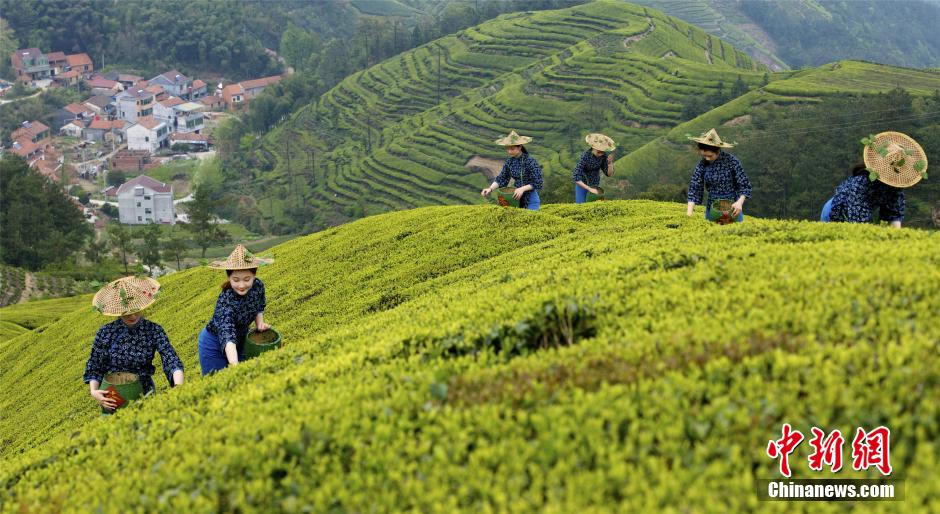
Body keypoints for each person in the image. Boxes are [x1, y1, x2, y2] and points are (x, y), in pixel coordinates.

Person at [85, 276, 184, 412]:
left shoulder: (153, 330)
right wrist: (94, 391)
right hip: (113, 393)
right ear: (118, 310)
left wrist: (178, 386)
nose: (132, 316)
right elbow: (95, 365)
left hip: (143, 389)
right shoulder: (106, 333)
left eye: (135, 310)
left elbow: (170, 358)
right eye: (127, 313)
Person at [821, 131, 928, 228]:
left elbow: (894, 215)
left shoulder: (895, 186)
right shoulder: (861, 183)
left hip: (860, 213)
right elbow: (858, 221)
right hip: (834, 212)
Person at [198, 245, 273, 375]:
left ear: (254, 275)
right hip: (214, 343)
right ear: (229, 277)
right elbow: (227, 334)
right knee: (219, 381)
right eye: (236, 280)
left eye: (247, 279)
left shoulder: (258, 286)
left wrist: (259, 323)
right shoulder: (226, 299)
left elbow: (259, 305)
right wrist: (234, 364)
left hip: (242, 337)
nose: (242, 285)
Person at [685, 128, 752, 221]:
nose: (707, 159)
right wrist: (689, 214)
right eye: (704, 156)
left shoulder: (732, 161)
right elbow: (694, 187)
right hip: (712, 207)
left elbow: (744, 185)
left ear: (718, 151)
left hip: (732, 207)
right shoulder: (702, 165)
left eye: (710, 156)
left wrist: (739, 203)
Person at [481, 131, 545, 210]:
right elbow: (502, 178)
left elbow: (538, 182)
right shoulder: (509, 162)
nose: (509, 151)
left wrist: (522, 189)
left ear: (520, 147)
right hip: (515, 197)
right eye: (507, 149)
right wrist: (490, 189)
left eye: (512, 149)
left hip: (530, 198)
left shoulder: (530, 161)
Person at [573, 133, 616, 204]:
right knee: (581, 205)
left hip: (595, 186)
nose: (601, 153)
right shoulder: (585, 156)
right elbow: (576, 177)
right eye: (599, 151)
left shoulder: (603, 156)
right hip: (583, 185)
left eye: (603, 151)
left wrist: (610, 163)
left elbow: (609, 174)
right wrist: (589, 189)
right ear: (594, 147)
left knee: (595, 206)